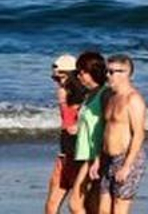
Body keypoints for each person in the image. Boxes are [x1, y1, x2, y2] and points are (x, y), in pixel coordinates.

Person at [96, 55, 146, 214]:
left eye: (111, 72)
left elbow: (139, 135)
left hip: (126, 158)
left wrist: (126, 166)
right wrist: (98, 160)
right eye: (107, 71)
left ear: (125, 73)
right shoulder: (110, 96)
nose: (107, 75)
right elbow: (106, 130)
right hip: (108, 158)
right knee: (103, 210)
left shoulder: (134, 99)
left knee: (119, 209)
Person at [68, 51, 107, 214]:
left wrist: (98, 158)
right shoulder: (89, 94)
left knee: (75, 204)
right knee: (92, 206)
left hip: (95, 155)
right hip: (85, 154)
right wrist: (77, 126)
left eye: (81, 72)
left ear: (92, 72)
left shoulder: (105, 93)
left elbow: (108, 126)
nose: (79, 76)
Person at [46, 54, 86, 214]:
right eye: (55, 79)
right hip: (64, 154)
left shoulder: (89, 97)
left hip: (80, 156)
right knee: (51, 206)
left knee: (78, 207)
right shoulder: (63, 93)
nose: (59, 83)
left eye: (62, 78)